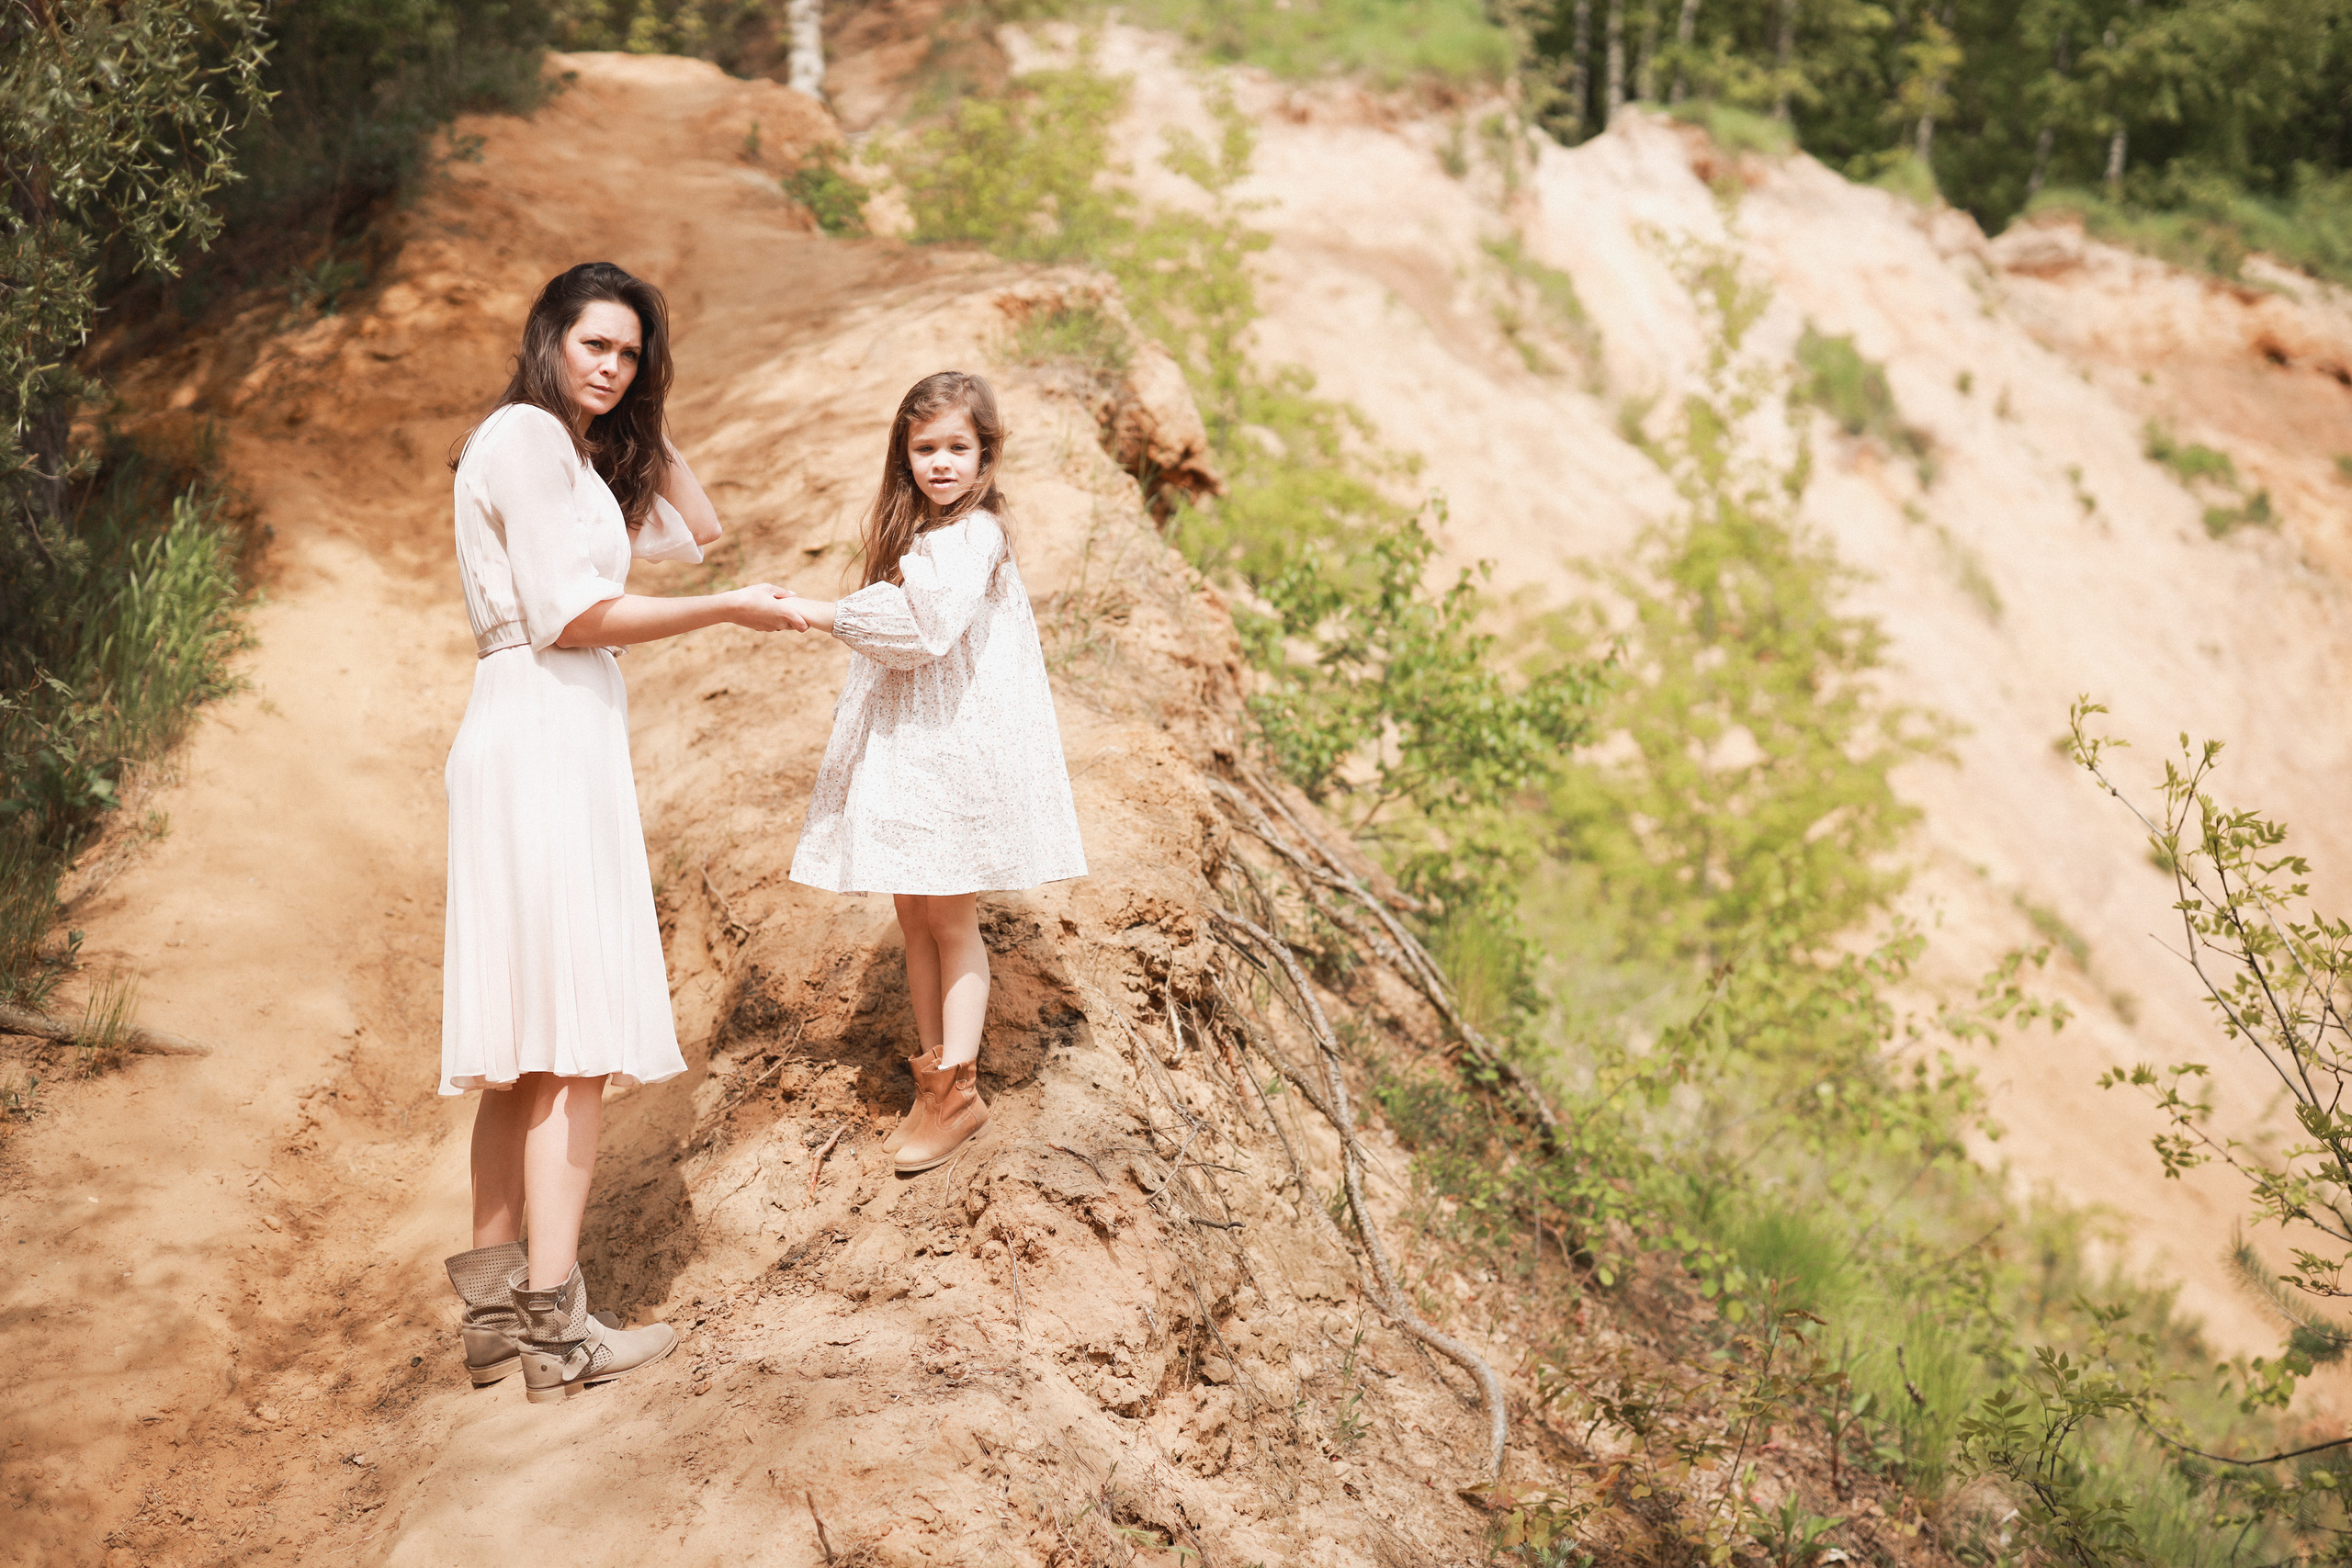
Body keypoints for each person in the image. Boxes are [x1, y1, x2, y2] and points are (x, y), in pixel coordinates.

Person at [437, 262, 807, 1404]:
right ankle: (561, 1333)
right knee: (576, 1045)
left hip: (533, 730)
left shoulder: (558, 452)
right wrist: (734, 613)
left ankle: (501, 1316)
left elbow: (697, 529)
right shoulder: (531, 444)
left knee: (524, 1052)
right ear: (546, 335)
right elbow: (580, 615)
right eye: (593, 343)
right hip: (548, 725)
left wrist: (643, 420)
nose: (610, 365)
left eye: (629, 353)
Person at [784, 371, 1086, 1172]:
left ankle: (958, 1088)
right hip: (915, 755)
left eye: (959, 447)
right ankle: (932, 1078)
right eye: (925, 448)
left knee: (951, 922)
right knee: (916, 917)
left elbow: (926, 632)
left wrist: (822, 611)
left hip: (954, 761)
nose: (941, 462)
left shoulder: (975, 534)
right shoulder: (922, 538)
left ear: (987, 455)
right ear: (905, 455)